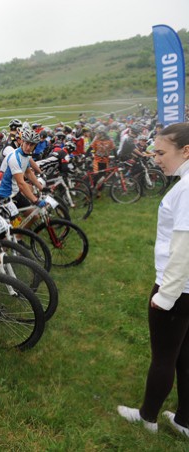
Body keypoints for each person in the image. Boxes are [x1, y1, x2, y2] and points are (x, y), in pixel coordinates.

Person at [118, 122, 189, 438]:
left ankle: (147, 417)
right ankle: (185, 420)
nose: (155, 159)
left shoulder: (186, 189)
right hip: (186, 288)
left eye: (161, 153)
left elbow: (184, 249)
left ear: (185, 151)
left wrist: (165, 295)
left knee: (164, 358)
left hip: (177, 288)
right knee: (184, 356)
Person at [0, 125, 45, 208]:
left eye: (32, 145)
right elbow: (21, 183)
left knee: (33, 214)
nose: (28, 147)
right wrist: (35, 200)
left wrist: (42, 188)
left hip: (15, 191)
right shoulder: (14, 158)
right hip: (5, 194)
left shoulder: (26, 155)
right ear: (22, 142)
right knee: (16, 217)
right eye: (27, 143)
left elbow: (29, 173)